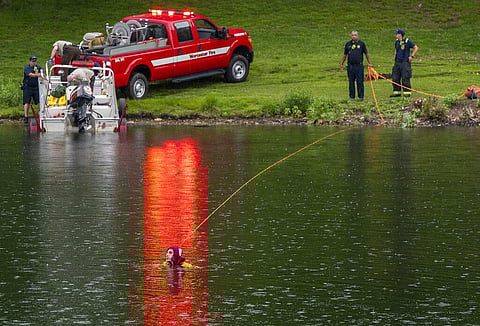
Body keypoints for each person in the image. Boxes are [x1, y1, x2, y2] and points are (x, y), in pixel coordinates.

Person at [340, 30, 372, 100]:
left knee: (360, 81)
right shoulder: (348, 44)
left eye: (355, 35)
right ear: (350, 36)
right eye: (352, 35)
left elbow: (366, 54)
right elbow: (345, 55)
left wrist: (369, 63)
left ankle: (361, 96)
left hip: (359, 66)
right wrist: (341, 64)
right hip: (350, 66)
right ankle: (352, 96)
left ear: (358, 36)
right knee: (351, 82)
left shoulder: (361, 44)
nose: (354, 36)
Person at [390, 29, 419, 97]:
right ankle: (397, 92)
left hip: (405, 62)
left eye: (397, 34)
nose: (395, 35)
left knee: (405, 77)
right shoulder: (397, 42)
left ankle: (407, 93)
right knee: (395, 77)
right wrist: (395, 55)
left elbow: (416, 48)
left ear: (400, 34)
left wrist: (412, 56)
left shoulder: (407, 41)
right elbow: (396, 49)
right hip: (397, 62)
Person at [22, 56, 43, 124]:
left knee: (39, 101)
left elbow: (43, 74)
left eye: (35, 61)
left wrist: (39, 74)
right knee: (26, 102)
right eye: (33, 61)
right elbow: (30, 74)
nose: (34, 63)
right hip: (28, 87)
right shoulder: (27, 68)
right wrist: (38, 74)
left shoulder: (39, 67)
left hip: (36, 87)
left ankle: (41, 115)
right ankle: (26, 116)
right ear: (30, 61)